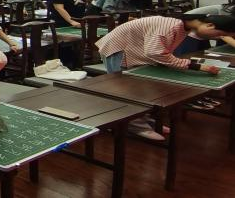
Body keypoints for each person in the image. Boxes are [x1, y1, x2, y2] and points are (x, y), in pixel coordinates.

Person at [98, 14, 235, 140]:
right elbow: (156, 53)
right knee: (126, 91)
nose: (217, 38)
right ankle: (135, 126)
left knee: (143, 89)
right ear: (210, 25)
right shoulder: (171, 26)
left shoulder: (183, 27)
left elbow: (161, 50)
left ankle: (144, 120)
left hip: (135, 49)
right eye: (219, 34)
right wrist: (196, 66)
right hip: (117, 49)